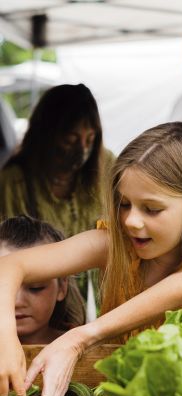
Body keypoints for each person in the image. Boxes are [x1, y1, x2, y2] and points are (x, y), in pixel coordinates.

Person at [0, 121, 182, 396]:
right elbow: (10, 265)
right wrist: (5, 336)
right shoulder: (112, 245)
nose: (131, 220)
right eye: (124, 204)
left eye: (151, 209)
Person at [0, 83, 115, 309]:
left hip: (93, 304)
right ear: (46, 134)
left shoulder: (106, 165)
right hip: (31, 308)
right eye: (70, 140)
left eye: (89, 140)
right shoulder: (12, 183)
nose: (81, 149)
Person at [0, 215, 86, 344]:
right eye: (4, 287)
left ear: (62, 287)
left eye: (35, 288)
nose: (18, 302)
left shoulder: (86, 345)